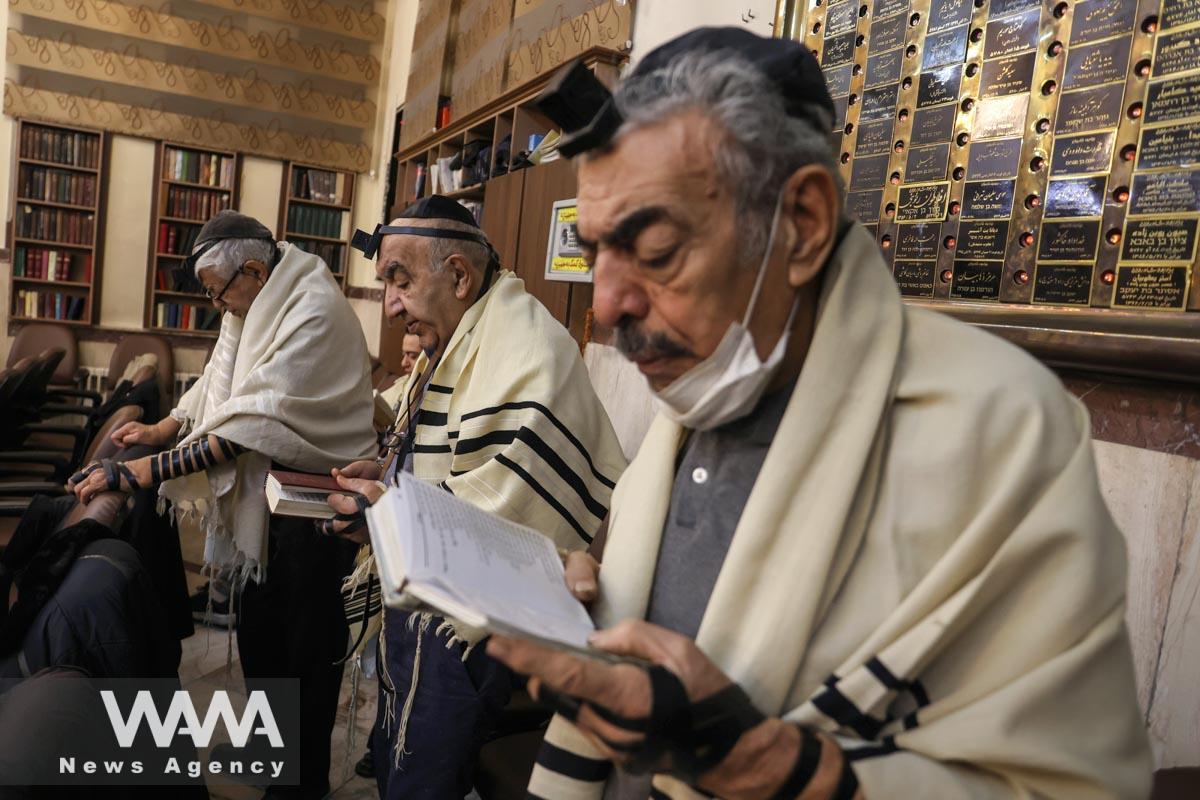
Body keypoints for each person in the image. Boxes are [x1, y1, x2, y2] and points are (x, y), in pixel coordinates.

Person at [481, 28, 1154, 800]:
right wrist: (590, 600)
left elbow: (1072, 786)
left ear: (800, 223)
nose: (606, 303)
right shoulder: (706, 385)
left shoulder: (1001, 430)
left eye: (658, 250)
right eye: (598, 251)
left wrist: (764, 766)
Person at [70, 210, 378, 799]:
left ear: (254, 269)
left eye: (219, 294)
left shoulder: (309, 308)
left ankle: (300, 786)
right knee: (264, 642)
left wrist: (143, 472)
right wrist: (166, 427)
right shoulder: (260, 295)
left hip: (320, 511)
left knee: (306, 660)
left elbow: (244, 428)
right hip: (271, 503)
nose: (220, 308)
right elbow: (219, 379)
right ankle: (272, 757)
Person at [327, 195, 627, 799]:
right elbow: (427, 454)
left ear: (460, 276)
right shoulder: (464, 334)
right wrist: (385, 471)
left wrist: (385, 516)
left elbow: (505, 514)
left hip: (470, 632)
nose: (390, 308)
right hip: (423, 609)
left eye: (399, 280)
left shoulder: (528, 349)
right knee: (397, 760)